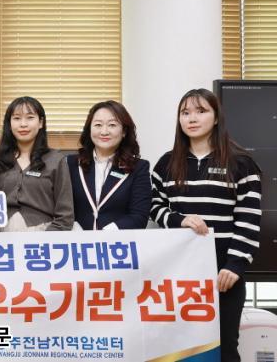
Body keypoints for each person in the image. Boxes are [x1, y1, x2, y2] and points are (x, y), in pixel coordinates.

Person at [151, 88, 261, 362]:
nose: (192, 118)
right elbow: (153, 206)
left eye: (201, 111)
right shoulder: (166, 163)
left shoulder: (241, 163)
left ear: (216, 117)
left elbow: (249, 218)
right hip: (178, 275)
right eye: (185, 112)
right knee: (177, 350)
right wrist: (178, 219)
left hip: (223, 275)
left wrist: (234, 265)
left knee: (224, 349)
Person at [0, 96, 73, 231]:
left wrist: (44, 240)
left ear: (40, 122)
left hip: (43, 235)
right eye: (17, 118)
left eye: (30, 117)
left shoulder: (56, 160)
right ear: (9, 124)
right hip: (2, 236)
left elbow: (65, 217)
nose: (23, 124)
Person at [67, 100, 151, 230]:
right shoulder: (70, 164)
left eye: (112, 125)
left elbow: (139, 216)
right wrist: (73, 228)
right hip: (76, 240)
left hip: (118, 241)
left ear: (124, 131)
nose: (104, 131)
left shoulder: (139, 168)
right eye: (98, 125)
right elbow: (59, 208)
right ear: (89, 129)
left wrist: (107, 234)